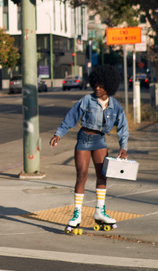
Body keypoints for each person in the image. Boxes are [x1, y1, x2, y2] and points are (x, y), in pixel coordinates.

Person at [49, 64, 128, 233]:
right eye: (95, 86)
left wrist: (123, 147)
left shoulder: (115, 106)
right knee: (82, 175)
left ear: (108, 86)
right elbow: (70, 118)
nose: (97, 89)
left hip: (100, 141)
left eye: (101, 86)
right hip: (84, 139)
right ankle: (77, 214)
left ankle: (100, 211)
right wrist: (58, 134)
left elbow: (123, 128)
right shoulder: (87, 100)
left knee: (102, 176)